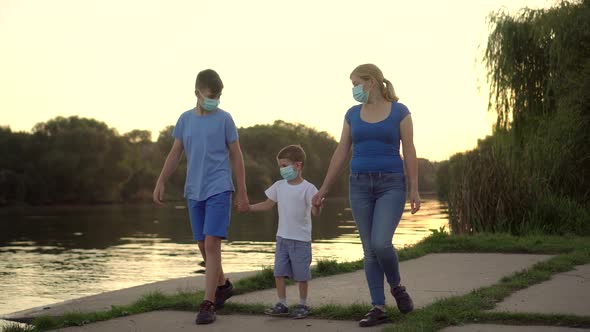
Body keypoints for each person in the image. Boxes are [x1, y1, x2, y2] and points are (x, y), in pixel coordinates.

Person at [312, 64, 421, 327]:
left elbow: (409, 149)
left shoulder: (400, 111)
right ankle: (378, 306)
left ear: (370, 82)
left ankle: (396, 287)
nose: (353, 89)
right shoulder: (352, 114)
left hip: (391, 185)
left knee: (381, 243)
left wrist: (414, 188)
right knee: (369, 251)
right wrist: (323, 189)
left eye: (355, 83)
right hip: (358, 185)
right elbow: (341, 152)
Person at [152, 69, 249, 325]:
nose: (215, 99)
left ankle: (208, 303)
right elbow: (175, 153)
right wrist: (161, 180)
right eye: (211, 95)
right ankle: (224, 284)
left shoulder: (225, 119)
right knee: (200, 243)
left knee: (211, 244)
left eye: (218, 95)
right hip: (194, 190)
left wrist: (242, 191)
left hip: (219, 187)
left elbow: (237, 156)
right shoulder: (185, 120)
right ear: (197, 93)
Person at [248, 145, 322, 319]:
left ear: (298, 165)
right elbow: (268, 204)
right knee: (279, 272)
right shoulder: (279, 186)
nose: (281, 170)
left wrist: (318, 206)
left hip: (301, 240)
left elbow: (315, 212)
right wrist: (249, 208)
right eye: (280, 166)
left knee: (301, 275)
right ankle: (282, 303)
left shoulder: (308, 188)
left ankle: (303, 305)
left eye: (284, 166)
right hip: (282, 238)